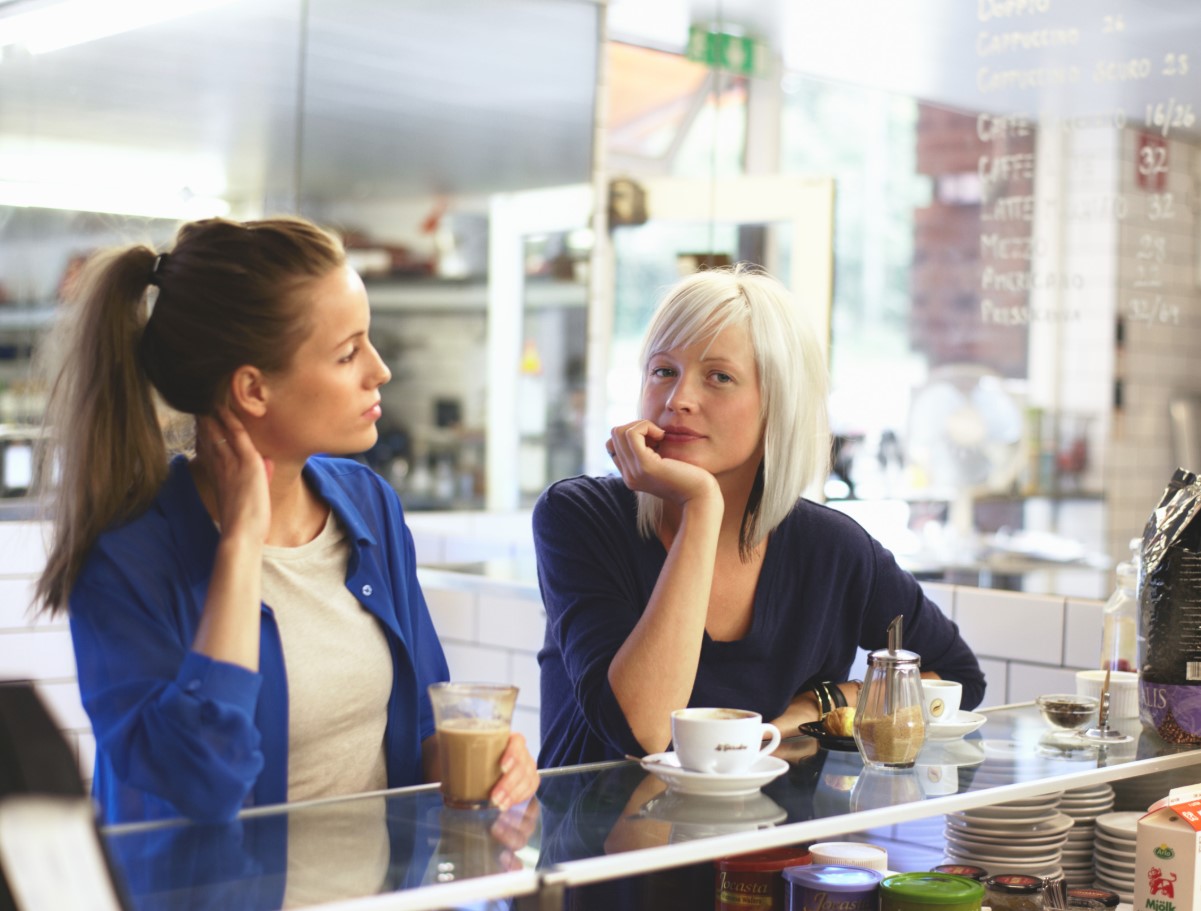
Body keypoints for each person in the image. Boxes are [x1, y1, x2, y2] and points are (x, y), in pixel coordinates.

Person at [33, 216, 538, 824]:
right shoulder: (127, 553)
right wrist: (241, 548)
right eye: (348, 352)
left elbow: (423, 734)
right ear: (252, 389)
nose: (379, 370)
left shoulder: (369, 506)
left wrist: (493, 770)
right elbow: (201, 781)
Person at [534, 264, 985, 767]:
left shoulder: (830, 548)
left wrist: (825, 702)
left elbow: (956, 678)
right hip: (605, 839)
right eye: (664, 371)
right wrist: (701, 507)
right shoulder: (580, 517)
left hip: (776, 838)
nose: (679, 399)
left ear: (779, 403)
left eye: (719, 377)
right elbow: (644, 732)